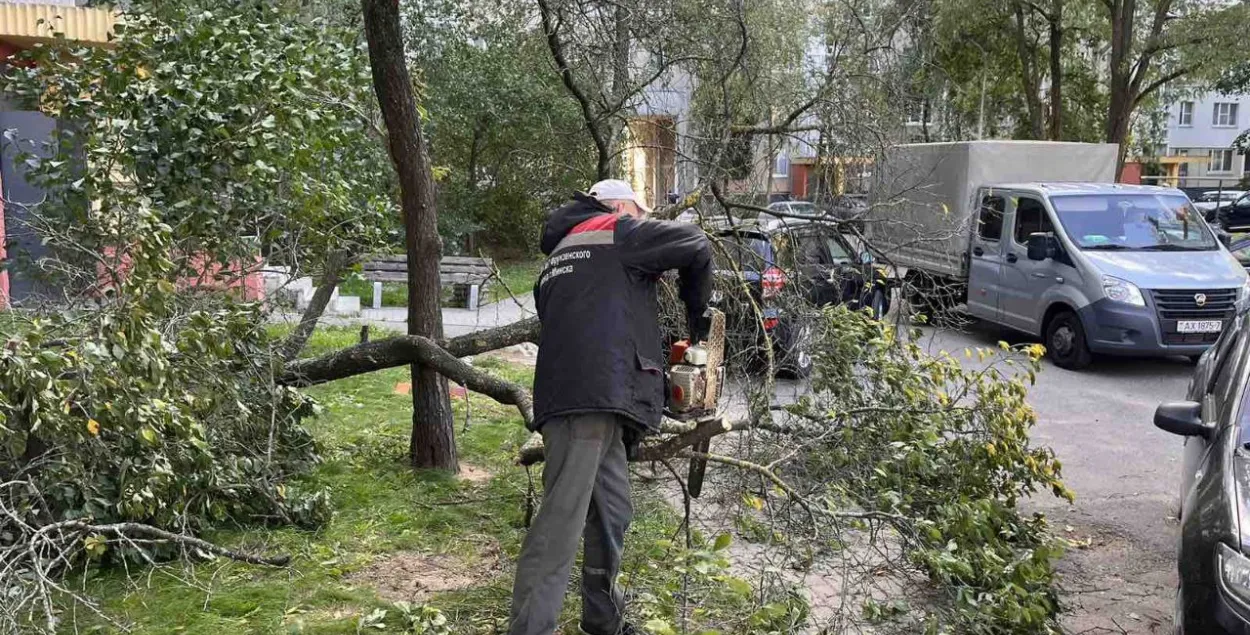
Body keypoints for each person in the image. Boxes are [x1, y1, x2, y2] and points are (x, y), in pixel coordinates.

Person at [509, 179, 713, 635]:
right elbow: (695, 242)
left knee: (612, 512)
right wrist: (699, 318)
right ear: (620, 206)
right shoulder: (615, 229)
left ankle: (603, 621)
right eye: (638, 212)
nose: (641, 222)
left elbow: (596, 319)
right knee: (559, 524)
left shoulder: (560, 255)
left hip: (585, 398)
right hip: (589, 401)